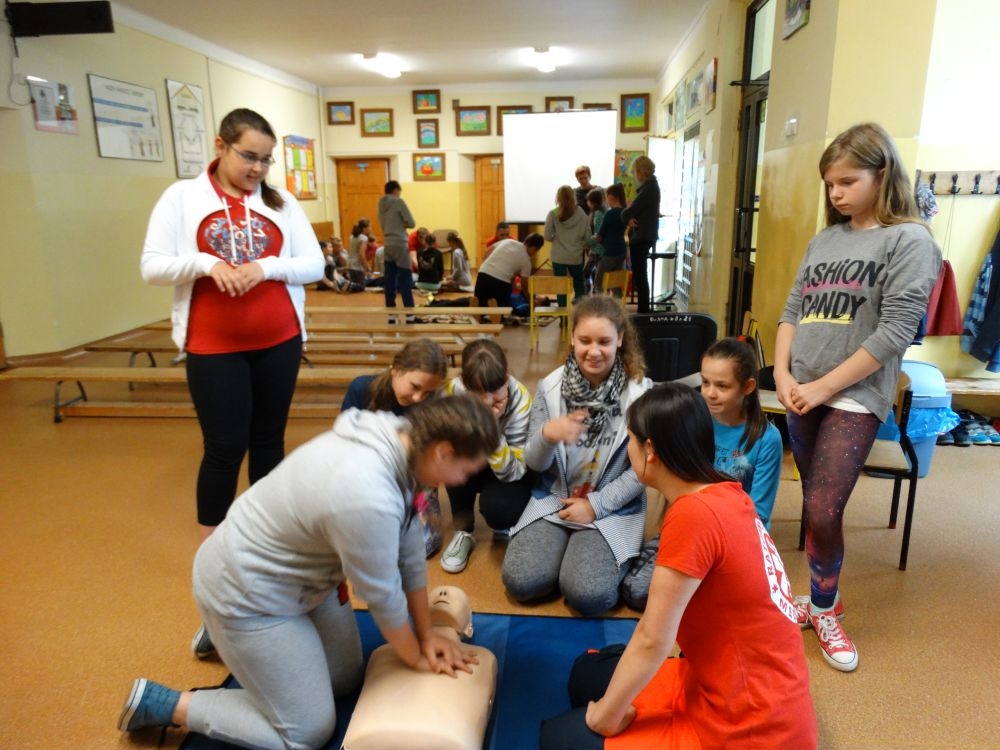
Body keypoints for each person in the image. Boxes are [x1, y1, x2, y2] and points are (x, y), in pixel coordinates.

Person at [117, 396, 500, 750]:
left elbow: (410, 551)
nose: (462, 481)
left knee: (345, 679)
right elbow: (383, 596)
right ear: (443, 451)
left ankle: (226, 638)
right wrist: (417, 658)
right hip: (246, 594)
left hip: (305, 580)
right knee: (307, 731)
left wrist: (426, 633)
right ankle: (168, 702)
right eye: (465, 470)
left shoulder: (404, 440)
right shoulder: (367, 493)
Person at [538, 383, 817, 750]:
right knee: (584, 676)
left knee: (558, 739)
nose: (628, 449)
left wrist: (605, 717)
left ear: (650, 450)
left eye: (631, 440)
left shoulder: (693, 515)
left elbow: (654, 639)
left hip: (748, 728)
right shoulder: (724, 490)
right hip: (727, 684)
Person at [775, 122, 942, 672]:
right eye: (830, 184)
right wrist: (782, 373)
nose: (836, 194)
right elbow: (793, 309)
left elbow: (896, 331)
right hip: (802, 387)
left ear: (882, 174)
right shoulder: (825, 239)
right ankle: (823, 595)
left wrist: (824, 386)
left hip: (854, 393)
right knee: (812, 503)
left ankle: (824, 609)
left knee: (825, 507)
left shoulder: (910, 240)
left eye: (847, 182)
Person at [139, 107, 323, 544]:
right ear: (220, 146)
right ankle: (215, 550)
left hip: (279, 340)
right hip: (214, 345)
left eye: (266, 160)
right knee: (224, 446)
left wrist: (266, 267)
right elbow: (152, 266)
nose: (257, 169)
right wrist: (206, 263)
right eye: (248, 156)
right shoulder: (182, 197)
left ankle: (267, 538)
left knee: (269, 440)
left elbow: (314, 264)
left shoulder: (280, 201)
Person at [501, 296, 652, 616]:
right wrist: (547, 435)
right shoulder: (550, 388)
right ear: (572, 338)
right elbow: (533, 463)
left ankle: (581, 560)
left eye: (604, 342)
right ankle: (563, 557)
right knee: (520, 581)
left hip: (610, 508)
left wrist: (596, 506)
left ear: (620, 339)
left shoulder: (640, 395)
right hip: (555, 500)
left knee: (588, 595)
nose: (593, 351)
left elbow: (644, 470)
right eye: (585, 340)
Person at [619, 336, 783, 612]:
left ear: (748, 387)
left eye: (722, 386)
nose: (709, 393)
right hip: (689, 524)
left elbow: (759, 513)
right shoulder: (696, 419)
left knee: (656, 596)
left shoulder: (767, 439)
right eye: (705, 382)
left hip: (732, 540)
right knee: (634, 589)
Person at [440, 339, 534, 573]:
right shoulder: (452, 392)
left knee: (502, 509)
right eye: (478, 393)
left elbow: (513, 471)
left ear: (506, 377)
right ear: (464, 383)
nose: (487, 401)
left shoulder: (521, 399)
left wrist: (491, 429)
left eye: (495, 390)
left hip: (507, 468)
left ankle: (505, 525)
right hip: (469, 458)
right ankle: (463, 531)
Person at [341, 338, 448, 416]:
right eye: (414, 387)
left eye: (428, 392)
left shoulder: (436, 402)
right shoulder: (361, 389)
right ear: (396, 370)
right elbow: (345, 436)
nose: (417, 398)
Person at [621, 155, 660, 314]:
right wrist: (629, 217)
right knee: (640, 275)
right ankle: (644, 310)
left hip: (641, 236)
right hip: (645, 235)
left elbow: (628, 212)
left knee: (640, 276)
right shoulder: (651, 186)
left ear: (641, 172)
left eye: (635, 172)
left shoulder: (648, 189)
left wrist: (626, 217)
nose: (635, 175)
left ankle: (643, 312)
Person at [473, 232, 544, 310]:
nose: (535, 253)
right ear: (535, 248)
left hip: (483, 274)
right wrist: (531, 301)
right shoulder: (526, 261)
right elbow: (524, 286)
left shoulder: (508, 241)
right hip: (500, 282)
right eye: (537, 251)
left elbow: (488, 251)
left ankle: (474, 310)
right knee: (502, 308)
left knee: (479, 305)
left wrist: (487, 267)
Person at [545, 184, 591, 303]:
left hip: (558, 256)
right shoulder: (580, 212)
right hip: (575, 256)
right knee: (579, 286)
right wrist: (581, 243)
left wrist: (557, 238)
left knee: (560, 287)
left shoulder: (553, 213)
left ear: (558, 197)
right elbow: (587, 235)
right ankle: (580, 311)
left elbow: (547, 236)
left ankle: (562, 312)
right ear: (573, 196)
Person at [378, 180, 417, 312]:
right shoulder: (398, 201)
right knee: (405, 279)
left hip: (387, 243)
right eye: (399, 192)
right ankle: (410, 315)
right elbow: (412, 223)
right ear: (395, 190)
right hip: (400, 243)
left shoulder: (380, 204)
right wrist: (402, 224)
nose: (399, 194)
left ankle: (391, 315)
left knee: (389, 281)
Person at [594, 183, 628, 295]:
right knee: (615, 282)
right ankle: (618, 304)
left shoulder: (610, 214)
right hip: (621, 251)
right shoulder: (625, 212)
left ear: (612, 197)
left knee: (598, 282)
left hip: (610, 252)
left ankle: (600, 304)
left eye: (607, 198)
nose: (606, 201)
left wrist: (593, 239)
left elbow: (600, 235)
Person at [584, 187, 608, 294]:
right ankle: (594, 294)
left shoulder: (598, 214)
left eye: (588, 201)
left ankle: (587, 295)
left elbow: (598, 235)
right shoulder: (604, 211)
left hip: (597, 250)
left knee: (586, 273)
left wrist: (587, 243)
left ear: (592, 202)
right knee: (596, 275)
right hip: (600, 250)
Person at [347, 218, 372, 286]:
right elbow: (361, 254)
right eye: (369, 227)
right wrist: (365, 267)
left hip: (350, 264)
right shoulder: (363, 238)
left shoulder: (351, 237)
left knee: (354, 284)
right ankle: (343, 284)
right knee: (360, 286)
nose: (370, 229)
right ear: (364, 228)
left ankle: (346, 284)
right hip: (357, 266)